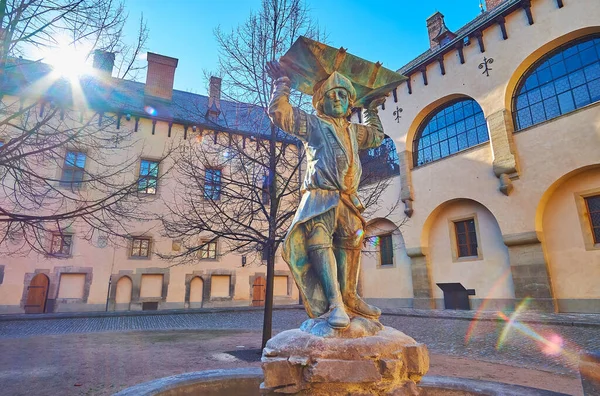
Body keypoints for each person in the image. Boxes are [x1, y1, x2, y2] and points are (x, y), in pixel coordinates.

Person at [266, 60, 386, 329]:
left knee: (352, 241)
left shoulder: (355, 131)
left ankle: (350, 296)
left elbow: (377, 136)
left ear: (349, 101)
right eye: (331, 95)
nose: (338, 99)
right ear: (321, 101)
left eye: (343, 95)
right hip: (320, 195)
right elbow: (280, 114)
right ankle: (335, 304)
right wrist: (282, 83)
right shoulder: (313, 124)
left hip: (348, 198)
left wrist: (371, 108)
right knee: (319, 241)